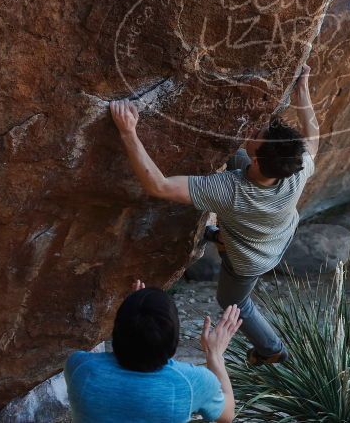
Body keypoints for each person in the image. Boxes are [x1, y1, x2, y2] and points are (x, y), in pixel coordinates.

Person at [110, 65, 319, 365]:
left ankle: (271, 349)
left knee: (233, 302)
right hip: (277, 233)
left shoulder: (229, 190)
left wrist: (128, 132)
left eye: (256, 136)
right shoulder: (295, 169)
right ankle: (219, 236)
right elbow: (314, 140)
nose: (253, 130)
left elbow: (158, 186)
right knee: (235, 157)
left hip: (250, 260)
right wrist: (303, 91)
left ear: (257, 160)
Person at [64, 280, 241, 423]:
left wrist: (132, 316)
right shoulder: (193, 382)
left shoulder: (80, 368)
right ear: (174, 340)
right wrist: (214, 354)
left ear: (117, 330)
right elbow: (227, 415)